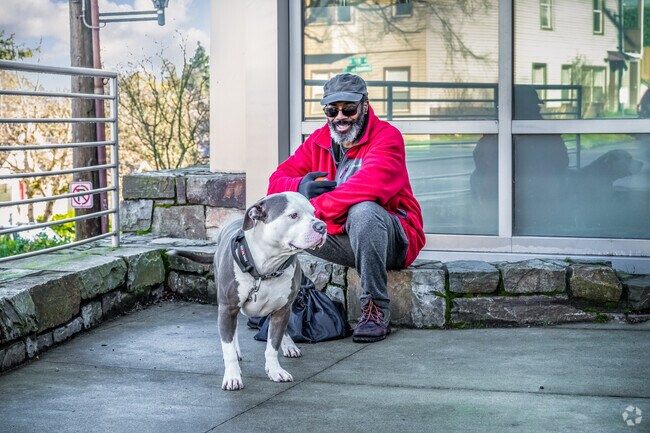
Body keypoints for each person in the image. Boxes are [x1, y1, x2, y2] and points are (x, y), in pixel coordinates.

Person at [267, 73, 425, 343]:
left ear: (364, 105)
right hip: (343, 236)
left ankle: (376, 310)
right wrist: (298, 187)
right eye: (332, 109)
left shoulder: (387, 138)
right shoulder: (317, 140)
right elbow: (274, 184)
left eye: (349, 109)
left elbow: (364, 190)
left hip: (392, 240)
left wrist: (308, 206)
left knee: (362, 211)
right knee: (281, 218)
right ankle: (271, 301)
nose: (340, 117)